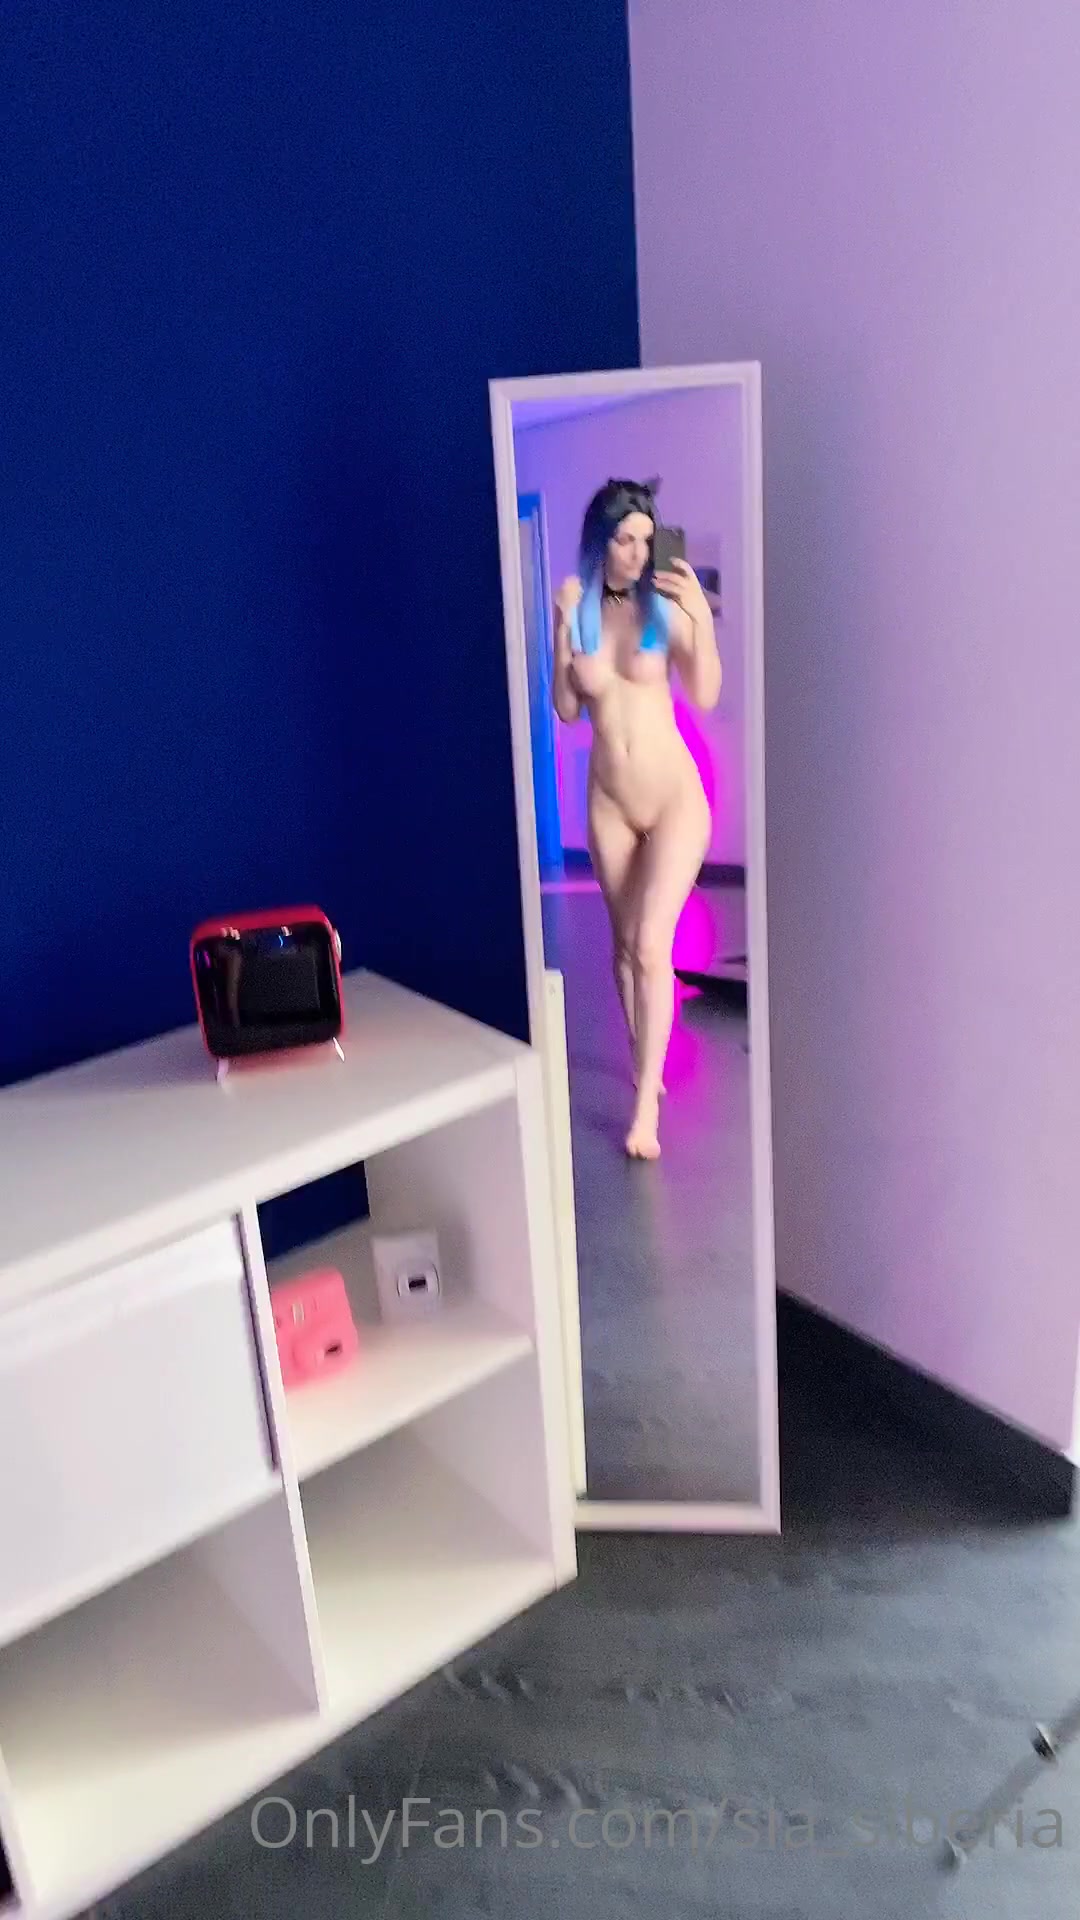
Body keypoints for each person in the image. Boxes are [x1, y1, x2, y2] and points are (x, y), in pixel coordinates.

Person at [552, 478, 722, 1161]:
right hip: (610, 804)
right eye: (625, 540)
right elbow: (568, 709)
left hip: (674, 798)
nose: (637, 554)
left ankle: (645, 1103)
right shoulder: (582, 613)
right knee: (625, 948)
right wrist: (562, 632)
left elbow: (704, 694)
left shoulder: (664, 610)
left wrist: (702, 621)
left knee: (652, 945)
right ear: (600, 540)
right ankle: (641, 1054)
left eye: (646, 541)